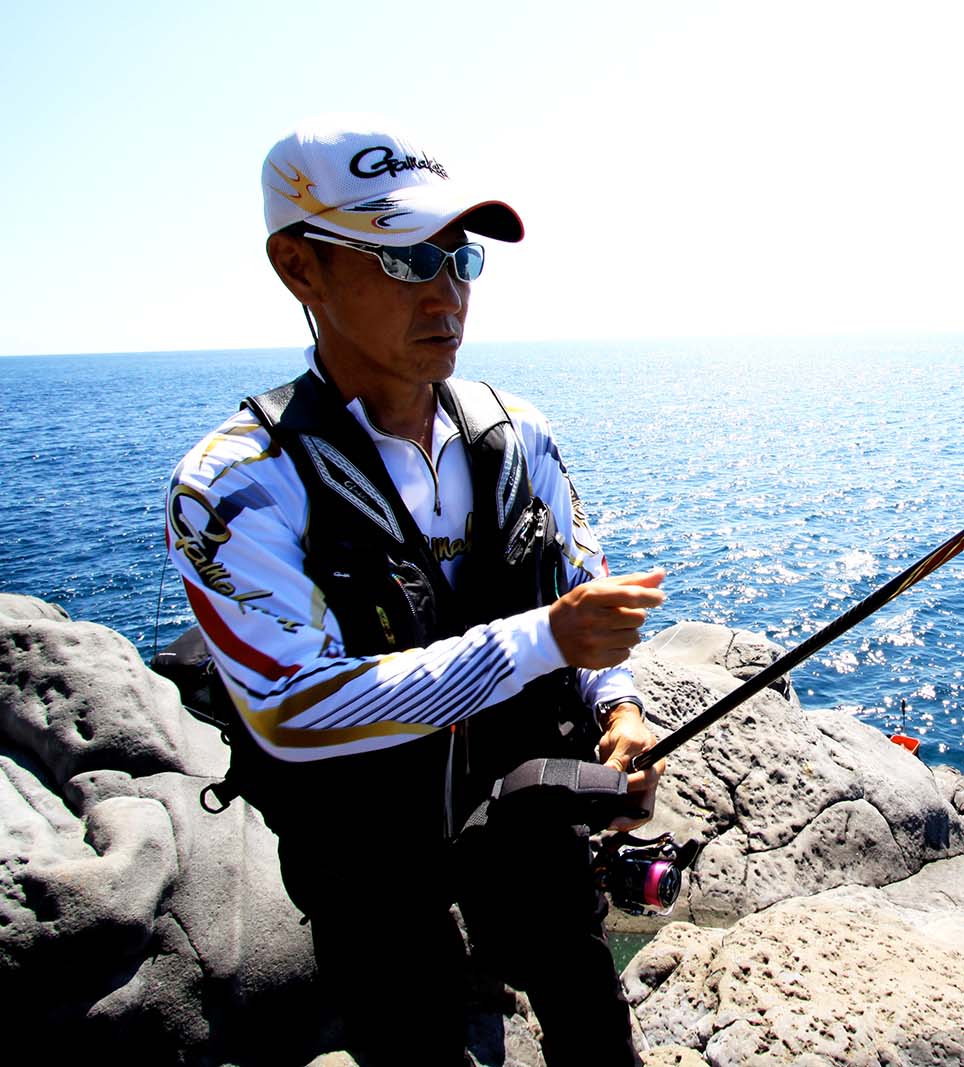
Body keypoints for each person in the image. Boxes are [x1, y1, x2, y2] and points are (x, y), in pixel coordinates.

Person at [165, 114, 666, 1066]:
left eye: (457, 259)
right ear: (298, 268)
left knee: (591, 1017)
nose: (444, 295)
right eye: (401, 260)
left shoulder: (520, 432)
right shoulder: (233, 482)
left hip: (524, 807)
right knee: (415, 1039)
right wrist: (548, 640)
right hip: (366, 854)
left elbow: (577, 576)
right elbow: (295, 709)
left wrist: (622, 709)